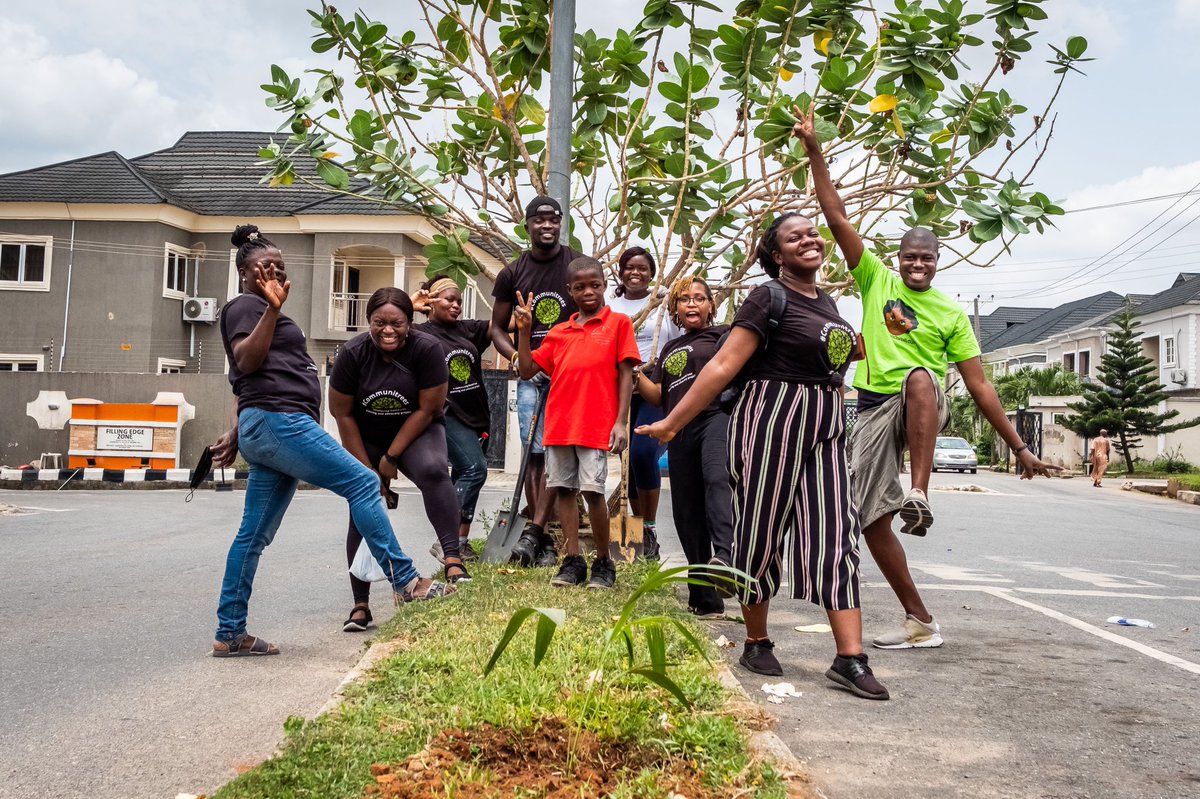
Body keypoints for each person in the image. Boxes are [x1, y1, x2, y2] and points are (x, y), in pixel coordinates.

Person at [795, 105, 1060, 651]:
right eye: (910, 257)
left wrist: (1017, 445)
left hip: (922, 405)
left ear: (938, 262)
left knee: (919, 375)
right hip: (870, 410)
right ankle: (921, 621)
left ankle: (920, 490)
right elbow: (836, 213)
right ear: (899, 257)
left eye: (927, 259)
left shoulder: (951, 313)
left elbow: (980, 385)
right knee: (868, 521)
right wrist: (815, 149)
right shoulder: (874, 277)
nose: (917, 265)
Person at [639, 214, 889, 701]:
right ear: (777, 255)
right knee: (761, 531)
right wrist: (673, 423)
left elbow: (828, 358)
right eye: (795, 237)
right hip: (771, 418)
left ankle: (849, 658)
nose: (811, 239)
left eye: (813, 233)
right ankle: (756, 641)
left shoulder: (830, 302)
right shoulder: (767, 297)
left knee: (836, 531)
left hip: (825, 419)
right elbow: (724, 365)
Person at [210, 226, 453, 657]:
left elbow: (245, 385)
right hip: (281, 424)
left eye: (281, 266)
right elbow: (246, 360)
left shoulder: (265, 309)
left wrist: (239, 428)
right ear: (244, 273)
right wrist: (269, 309)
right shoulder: (245, 306)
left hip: (268, 425)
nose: (276, 272)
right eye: (265, 267)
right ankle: (408, 582)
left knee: (253, 535)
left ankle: (230, 632)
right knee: (363, 482)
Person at [329, 286, 470, 634]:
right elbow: (341, 414)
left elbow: (430, 407)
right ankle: (360, 604)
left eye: (397, 323)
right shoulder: (352, 353)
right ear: (368, 321)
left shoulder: (427, 349)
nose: (387, 330)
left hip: (418, 428)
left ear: (410, 323)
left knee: (434, 470)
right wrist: (368, 471)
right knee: (361, 502)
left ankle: (453, 558)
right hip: (367, 434)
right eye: (379, 323)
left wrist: (392, 457)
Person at [515, 256, 641, 589]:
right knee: (565, 491)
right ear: (570, 291)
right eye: (580, 287)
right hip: (559, 425)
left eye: (595, 285)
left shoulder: (618, 324)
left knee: (593, 491)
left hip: (596, 425)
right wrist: (525, 332)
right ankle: (572, 560)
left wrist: (622, 423)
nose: (589, 291)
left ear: (603, 285)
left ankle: (603, 562)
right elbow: (527, 370)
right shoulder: (559, 332)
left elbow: (626, 376)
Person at [490, 196, 582, 567]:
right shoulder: (512, 273)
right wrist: (517, 357)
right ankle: (538, 538)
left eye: (554, 219)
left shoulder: (575, 263)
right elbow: (495, 328)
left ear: (560, 224)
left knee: (565, 453)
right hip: (532, 375)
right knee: (534, 454)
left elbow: (592, 314)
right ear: (527, 225)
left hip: (571, 374)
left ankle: (550, 531)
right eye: (539, 219)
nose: (548, 225)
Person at [634, 275, 732, 618]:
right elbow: (659, 396)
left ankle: (726, 558)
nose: (692, 304)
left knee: (717, 481)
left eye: (700, 298)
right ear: (675, 308)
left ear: (710, 306)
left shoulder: (724, 336)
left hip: (716, 417)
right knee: (686, 510)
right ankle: (704, 594)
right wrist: (635, 374)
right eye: (685, 299)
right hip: (678, 428)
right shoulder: (670, 350)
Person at [608, 246, 681, 560]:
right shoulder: (610, 305)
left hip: (655, 382)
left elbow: (677, 342)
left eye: (643, 268)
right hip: (618, 385)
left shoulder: (664, 302)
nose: (635, 272)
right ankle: (634, 544)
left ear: (652, 273)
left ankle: (648, 528)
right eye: (629, 267)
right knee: (629, 467)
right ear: (621, 272)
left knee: (642, 451)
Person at [413, 276, 494, 558]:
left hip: (477, 413)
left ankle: (459, 543)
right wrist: (410, 305)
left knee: (463, 473)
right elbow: (384, 332)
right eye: (449, 299)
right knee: (475, 469)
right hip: (446, 414)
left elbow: (502, 324)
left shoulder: (468, 330)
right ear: (431, 301)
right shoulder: (418, 334)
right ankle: (446, 539)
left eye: (459, 300)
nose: (456, 305)